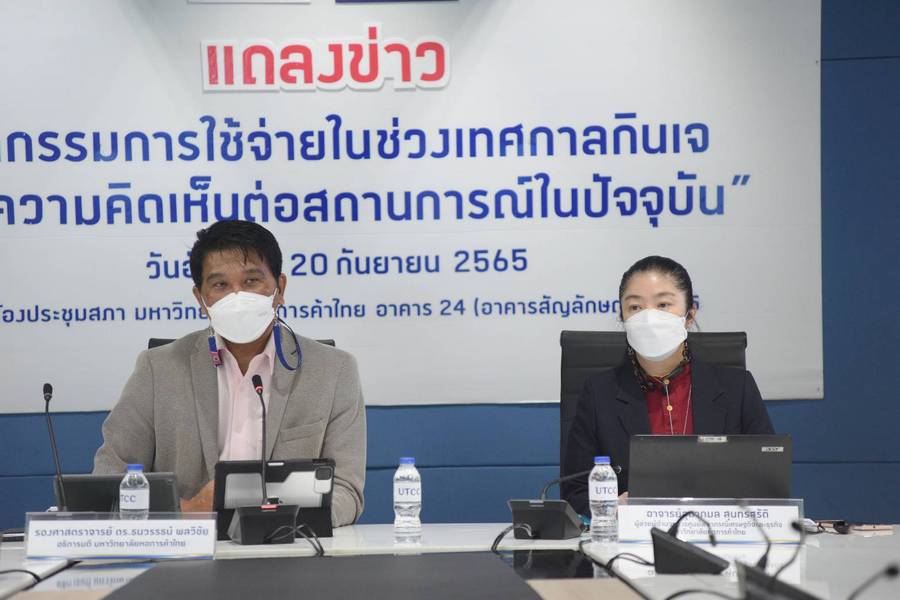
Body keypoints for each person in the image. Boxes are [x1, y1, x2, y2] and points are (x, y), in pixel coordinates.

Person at [93, 220, 366, 526]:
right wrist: (184, 513)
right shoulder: (158, 370)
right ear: (200, 299)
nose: (237, 297)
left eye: (251, 281)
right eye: (220, 285)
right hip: (189, 548)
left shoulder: (333, 371)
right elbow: (110, 481)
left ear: (280, 289)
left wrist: (275, 520)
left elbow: (346, 492)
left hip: (289, 545)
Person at [561, 256, 773, 515]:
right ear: (623, 317)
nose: (649, 317)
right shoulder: (599, 393)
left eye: (663, 305)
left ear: (689, 315)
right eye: (635, 307)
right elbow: (575, 492)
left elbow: (768, 484)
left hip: (720, 534)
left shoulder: (737, 388)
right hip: (631, 536)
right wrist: (613, 507)